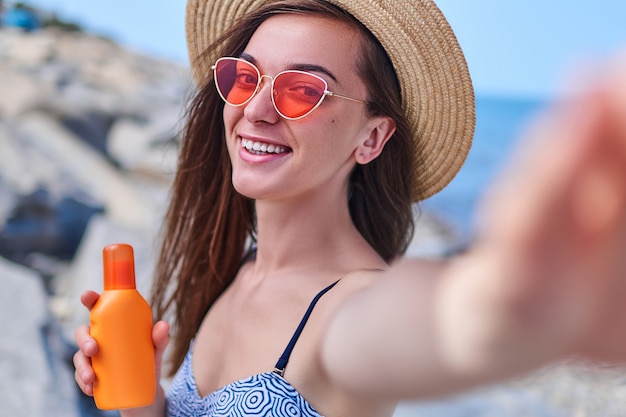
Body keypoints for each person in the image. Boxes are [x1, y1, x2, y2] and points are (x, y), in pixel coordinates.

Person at [74, 0, 626, 416]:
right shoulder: (234, 266)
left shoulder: (352, 304)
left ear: (372, 137)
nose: (257, 109)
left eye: (303, 89)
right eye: (245, 77)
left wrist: (507, 310)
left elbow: (408, 330)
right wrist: (142, 395)